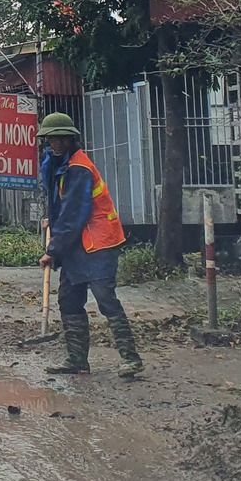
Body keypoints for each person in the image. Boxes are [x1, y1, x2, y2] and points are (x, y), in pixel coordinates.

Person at [37, 112, 143, 377]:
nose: (56, 143)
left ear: (71, 138)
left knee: (106, 300)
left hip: (98, 244)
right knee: (69, 300)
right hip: (77, 244)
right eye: (52, 139)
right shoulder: (59, 164)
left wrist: (53, 251)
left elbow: (74, 215)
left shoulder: (79, 168)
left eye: (61, 138)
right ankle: (77, 360)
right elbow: (63, 207)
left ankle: (131, 359)